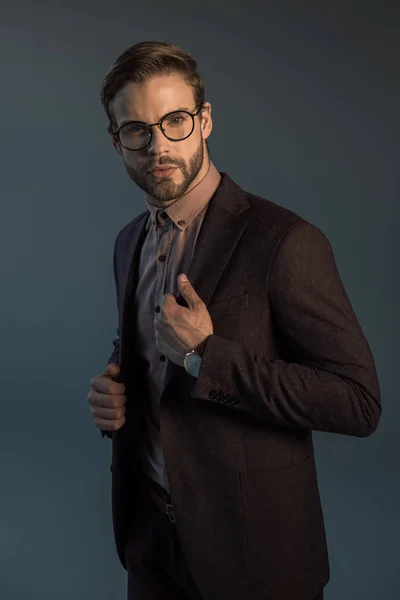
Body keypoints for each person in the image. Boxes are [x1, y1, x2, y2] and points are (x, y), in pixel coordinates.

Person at [87, 41, 381, 600]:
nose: (158, 146)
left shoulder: (285, 241)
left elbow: (357, 402)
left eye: (175, 121)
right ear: (116, 140)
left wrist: (206, 357)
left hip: (255, 559)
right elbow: (147, 363)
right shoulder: (129, 241)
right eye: (137, 130)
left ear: (205, 121)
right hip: (152, 549)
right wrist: (113, 397)